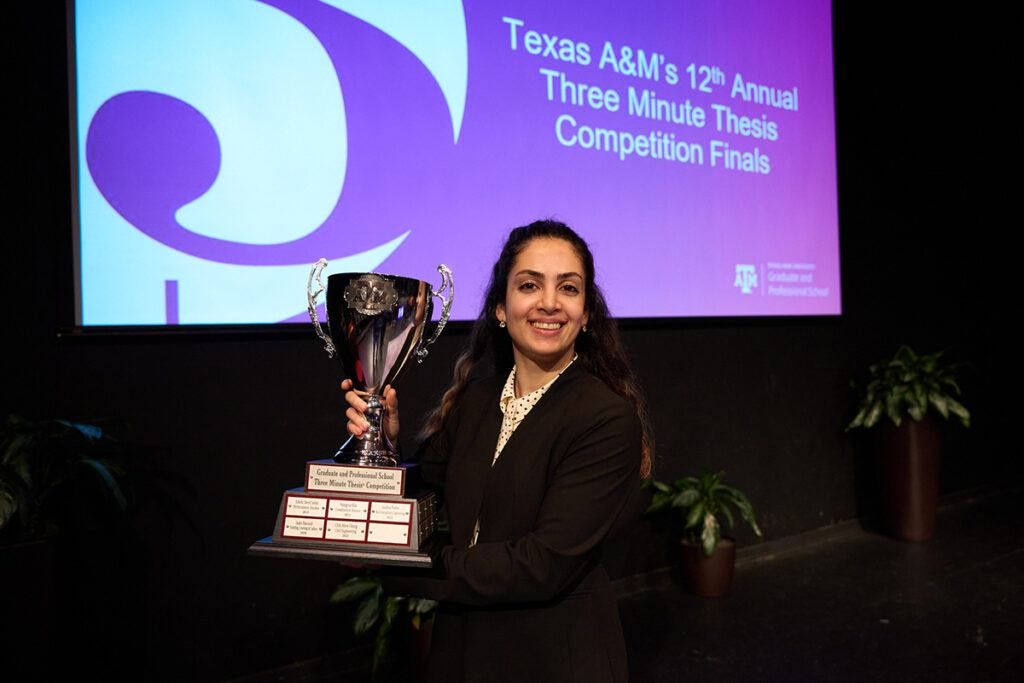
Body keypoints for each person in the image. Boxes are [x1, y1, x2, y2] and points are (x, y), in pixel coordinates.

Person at [341, 219, 653, 682]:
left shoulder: (605, 418)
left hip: (555, 657)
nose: (549, 302)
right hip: (461, 649)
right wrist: (385, 441)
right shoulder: (474, 401)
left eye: (568, 288)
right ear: (501, 309)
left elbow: (538, 566)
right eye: (530, 285)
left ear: (586, 314)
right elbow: (423, 495)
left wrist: (394, 568)